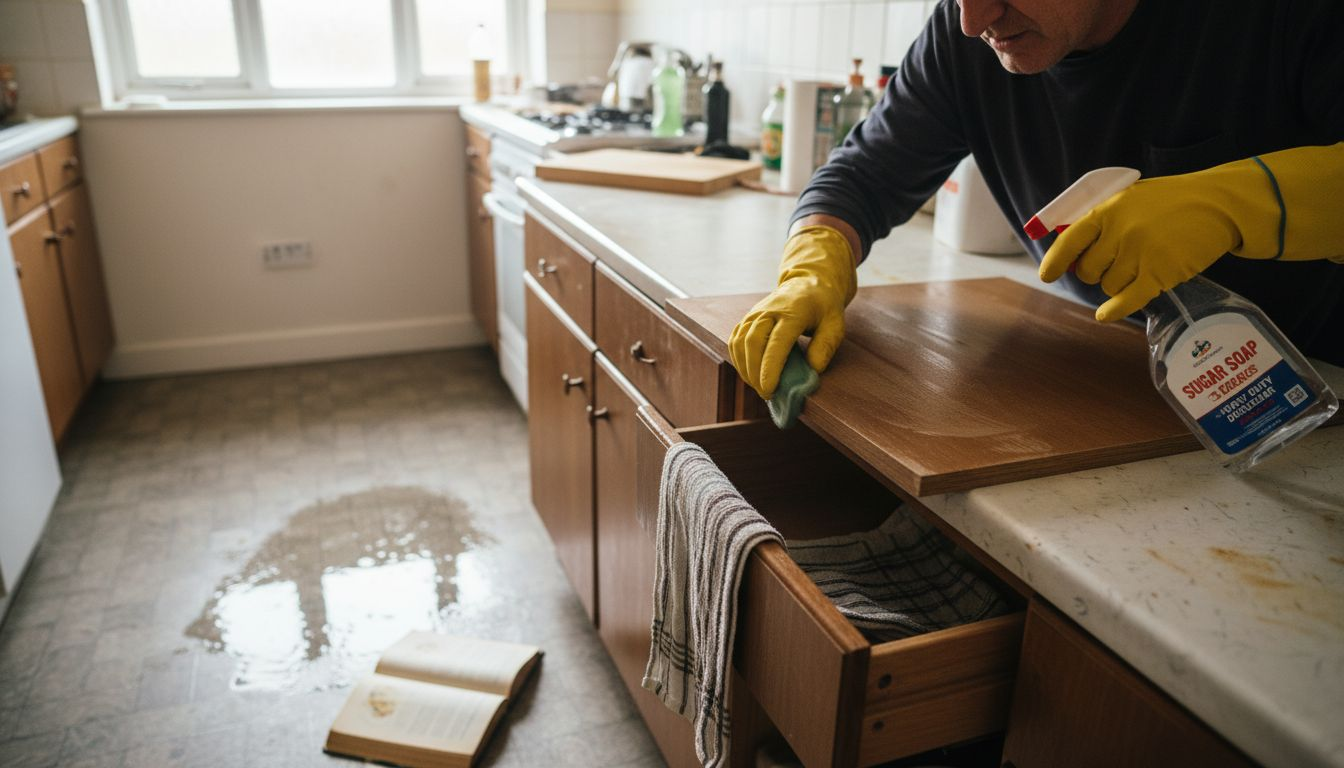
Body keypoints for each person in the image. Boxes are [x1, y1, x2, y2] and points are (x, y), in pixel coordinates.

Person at [729, 0, 1344, 401]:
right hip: (1118, 377)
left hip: (1318, 392)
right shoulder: (964, 35)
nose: (974, 19)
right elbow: (863, 175)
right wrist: (812, 263)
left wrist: (1243, 203)